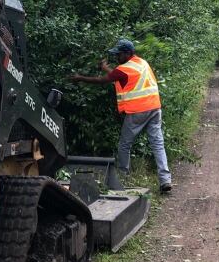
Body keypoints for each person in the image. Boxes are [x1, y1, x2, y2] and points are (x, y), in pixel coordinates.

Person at [70, 38, 172, 193]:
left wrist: (79, 78)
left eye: (119, 54)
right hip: (155, 108)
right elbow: (119, 76)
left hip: (138, 111)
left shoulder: (124, 69)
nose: (117, 57)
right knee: (158, 145)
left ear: (128, 53)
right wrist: (106, 68)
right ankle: (165, 181)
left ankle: (124, 176)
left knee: (124, 144)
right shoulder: (141, 63)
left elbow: (103, 80)